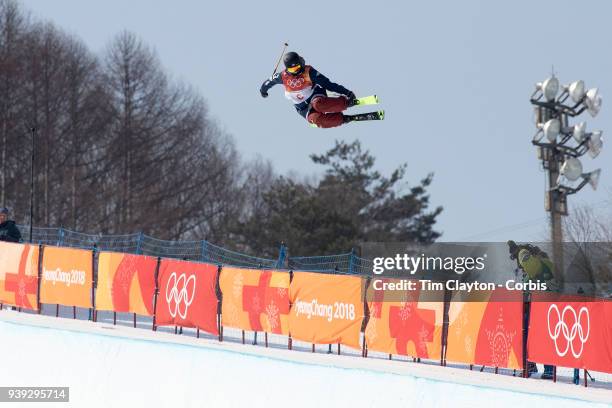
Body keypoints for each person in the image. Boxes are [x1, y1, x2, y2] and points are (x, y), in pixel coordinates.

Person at [259, 51, 358, 128]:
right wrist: (263, 91)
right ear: (287, 69)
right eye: (292, 70)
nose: (296, 71)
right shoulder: (282, 76)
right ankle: (342, 119)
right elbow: (267, 82)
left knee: (318, 105)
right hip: (303, 108)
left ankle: (345, 103)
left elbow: (328, 84)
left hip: (315, 96)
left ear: (300, 63)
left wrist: (347, 92)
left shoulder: (309, 72)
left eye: (297, 67)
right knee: (316, 120)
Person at [507, 240, 556, 380]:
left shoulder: (542, 264)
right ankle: (529, 365)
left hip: (543, 307)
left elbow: (531, 266)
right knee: (525, 336)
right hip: (530, 306)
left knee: (544, 337)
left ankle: (549, 369)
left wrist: (521, 251)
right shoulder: (529, 272)